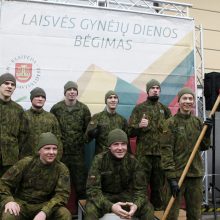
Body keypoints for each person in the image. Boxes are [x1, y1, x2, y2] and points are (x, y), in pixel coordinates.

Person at [160, 87, 212, 220]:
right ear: (179, 101)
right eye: (185, 98)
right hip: (176, 176)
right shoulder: (170, 123)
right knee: (171, 214)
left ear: (193, 101)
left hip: (195, 175)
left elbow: (204, 146)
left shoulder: (198, 122)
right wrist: (171, 179)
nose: (188, 101)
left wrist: (208, 132)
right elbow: (166, 152)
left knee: (195, 214)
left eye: (190, 99)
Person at [85, 128, 154, 220]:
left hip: (126, 198)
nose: (120, 148)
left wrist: (136, 205)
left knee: (148, 208)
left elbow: (141, 190)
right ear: (109, 146)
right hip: (105, 198)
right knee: (90, 210)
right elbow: (93, 190)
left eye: (123, 144)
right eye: (116, 144)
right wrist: (110, 206)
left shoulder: (133, 162)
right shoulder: (99, 160)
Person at [0, 132, 71, 220]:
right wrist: (8, 201)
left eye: (54, 149)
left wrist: (45, 211)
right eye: (47, 148)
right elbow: (3, 183)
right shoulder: (25, 163)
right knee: (9, 215)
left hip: (45, 204)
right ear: (39, 150)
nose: (52, 152)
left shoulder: (62, 169)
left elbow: (62, 195)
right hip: (22, 204)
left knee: (64, 214)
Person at [128, 79, 171, 210]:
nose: (156, 90)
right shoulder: (139, 108)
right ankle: (141, 212)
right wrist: (139, 126)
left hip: (159, 156)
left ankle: (158, 212)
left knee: (158, 188)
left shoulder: (165, 110)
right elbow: (129, 132)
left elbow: (170, 133)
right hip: (143, 156)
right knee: (140, 185)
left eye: (158, 88)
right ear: (148, 90)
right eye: (152, 88)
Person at [50, 81, 91, 200]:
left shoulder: (83, 109)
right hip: (60, 154)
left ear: (77, 93)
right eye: (69, 90)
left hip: (78, 155)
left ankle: (82, 215)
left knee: (81, 186)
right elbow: (52, 129)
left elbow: (87, 130)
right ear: (65, 92)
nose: (72, 92)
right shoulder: (56, 108)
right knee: (58, 184)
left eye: (74, 90)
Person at [19, 87, 63, 159]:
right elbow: (19, 139)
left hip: (46, 160)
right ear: (31, 99)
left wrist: (57, 158)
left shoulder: (51, 117)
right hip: (27, 159)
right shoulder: (24, 116)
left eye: (43, 97)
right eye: (37, 96)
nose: (40, 99)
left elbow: (58, 139)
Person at [86, 90, 128, 155]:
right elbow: (86, 140)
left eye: (115, 98)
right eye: (110, 97)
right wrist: (91, 134)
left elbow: (126, 141)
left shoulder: (122, 120)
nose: (113, 100)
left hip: (117, 158)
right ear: (106, 101)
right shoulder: (97, 117)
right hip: (101, 158)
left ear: (118, 101)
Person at [0, 73, 24, 177]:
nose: (9, 86)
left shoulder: (18, 109)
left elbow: (22, 136)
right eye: (6, 83)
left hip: (10, 160)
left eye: (12, 84)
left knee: (7, 190)